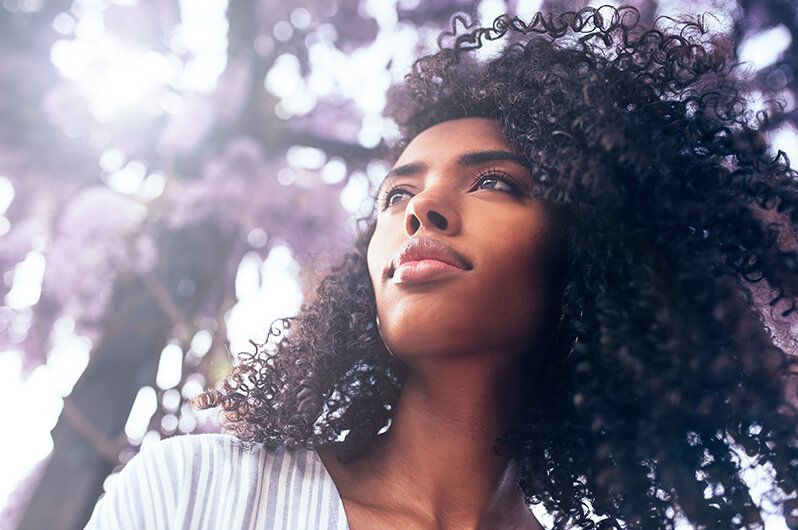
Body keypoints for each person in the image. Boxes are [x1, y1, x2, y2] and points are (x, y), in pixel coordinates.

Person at [86, 5, 798, 529]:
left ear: (591, 260)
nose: (421, 208)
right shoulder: (194, 494)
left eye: (494, 182)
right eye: (396, 193)